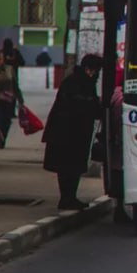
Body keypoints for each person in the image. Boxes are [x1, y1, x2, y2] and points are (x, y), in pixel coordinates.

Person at [42, 53, 104, 210]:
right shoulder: (77, 83)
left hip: (74, 133)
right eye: (94, 70)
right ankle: (67, 198)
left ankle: (69, 197)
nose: (95, 74)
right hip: (68, 133)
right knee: (68, 167)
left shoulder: (81, 81)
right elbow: (81, 106)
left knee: (72, 167)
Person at [0, 49, 23, 149]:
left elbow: (15, 85)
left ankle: (2, 139)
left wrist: (20, 99)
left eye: (0, 58)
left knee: (7, 122)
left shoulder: (10, 69)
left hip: (9, 100)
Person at [1, 37, 25, 102]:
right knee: (14, 88)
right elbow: (22, 62)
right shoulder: (16, 52)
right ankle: (18, 101)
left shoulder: (2, 52)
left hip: (3, 74)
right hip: (14, 73)